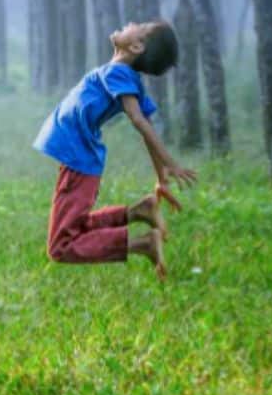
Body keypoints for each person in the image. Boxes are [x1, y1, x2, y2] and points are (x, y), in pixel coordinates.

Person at [32, 20, 197, 280]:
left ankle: (142, 245)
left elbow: (140, 121)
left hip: (78, 159)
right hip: (78, 158)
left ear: (136, 46)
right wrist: (161, 178)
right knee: (74, 227)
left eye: (138, 26)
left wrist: (169, 162)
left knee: (60, 247)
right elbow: (146, 123)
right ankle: (137, 212)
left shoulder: (118, 73)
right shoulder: (123, 75)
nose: (130, 23)